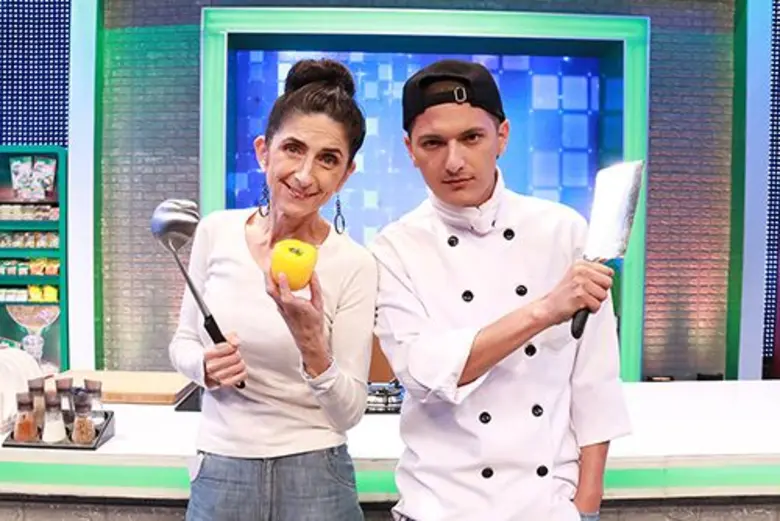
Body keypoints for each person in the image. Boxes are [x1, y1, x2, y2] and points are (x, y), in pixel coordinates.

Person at [369, 59, 632, 521]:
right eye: (433, 143)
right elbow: (425, 374)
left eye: (472, 137)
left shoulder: (564, 231)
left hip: (546, 508)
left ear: (502, 136)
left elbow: (595, 381)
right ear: (410, 149)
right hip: (438, 507)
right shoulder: (394, 248)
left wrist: (587, 505)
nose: (454, 161)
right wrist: (545, 310)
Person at [169, 58, 378, 521]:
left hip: (317, 473)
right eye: (293, 149)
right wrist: (204, 366)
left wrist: (312, 345)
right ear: (264, 151)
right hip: (222, 467)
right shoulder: (216, 232)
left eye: (328, 159)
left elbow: (349, 412)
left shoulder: (355, 264)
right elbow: (182, 342)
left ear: (346, 174)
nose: (305, 175)